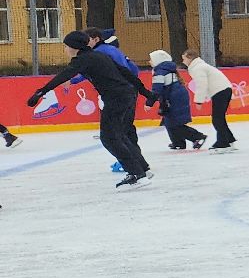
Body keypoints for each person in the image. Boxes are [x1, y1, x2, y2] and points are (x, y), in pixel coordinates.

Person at [28, 30, 155, 188]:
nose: (65, 50)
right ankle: (142, 170)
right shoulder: (98, 56)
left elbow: (64, 75)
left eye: (66, 46)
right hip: (125, 96)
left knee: (109, 138)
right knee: (120, 135)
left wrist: (41, 92)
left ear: (74, 47)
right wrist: (146, 93)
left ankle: (137, 174)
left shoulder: (84, 59)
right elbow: (126, 73)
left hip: (116, 98)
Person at [147, 51, 206, 150]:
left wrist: (149, 103)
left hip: (174, 98)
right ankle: (178, 143)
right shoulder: (165, 70)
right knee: (169, 121)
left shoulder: (160, 72)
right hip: (176, 97)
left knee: (174, 123)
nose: (149, 61)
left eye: (151, 59)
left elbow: (157, 89)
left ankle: (198, 137)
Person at [183, 49, 236, 149]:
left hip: (220, 91)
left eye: (184, 58)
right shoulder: (200, 66)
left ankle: (223, 143)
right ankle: (228, 139)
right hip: (223, 90)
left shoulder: (197, 68)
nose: (183, 61)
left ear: (190, 58)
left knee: (217, 119)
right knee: (219, 118)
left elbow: (201, 84)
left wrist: (199, 101)